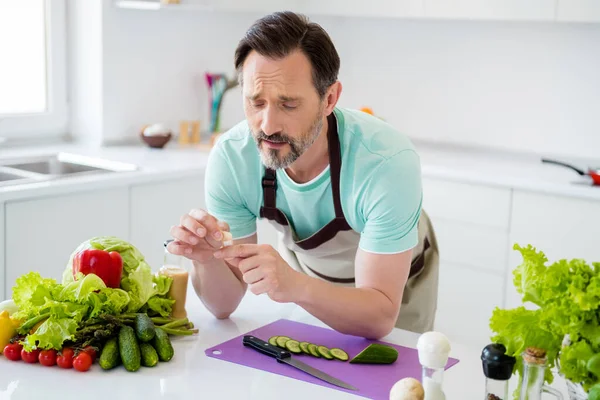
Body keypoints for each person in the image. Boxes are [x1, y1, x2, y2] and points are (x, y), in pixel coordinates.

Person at [167, 11, 439, 339]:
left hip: (396, 288)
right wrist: (207, 259)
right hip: (307, 283)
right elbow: (224, 305)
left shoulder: (386, 163)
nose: (267, 125)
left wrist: (295, 286)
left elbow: (379, 316)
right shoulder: (232, 158)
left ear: (329, 99)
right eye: (256, 102)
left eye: (289, 105)